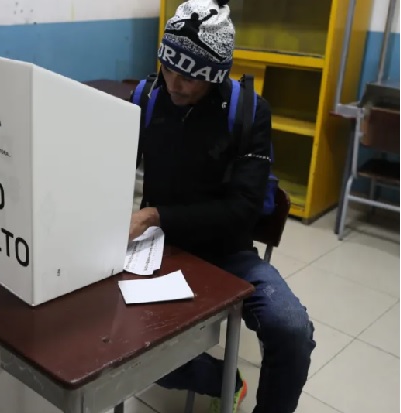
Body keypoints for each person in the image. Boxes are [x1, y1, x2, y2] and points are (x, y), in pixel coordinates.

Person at [128, 0, 316, 412]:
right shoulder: (147, 97)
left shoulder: (248, 112)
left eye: (190, 78)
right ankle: (222, 379)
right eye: (169, 68)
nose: (175, 84)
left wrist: (154, 214)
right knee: (127, 346)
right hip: (159, 249)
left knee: (292, 330)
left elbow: (243, 211)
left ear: (214, 76)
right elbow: (110, 167)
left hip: (228, 253)